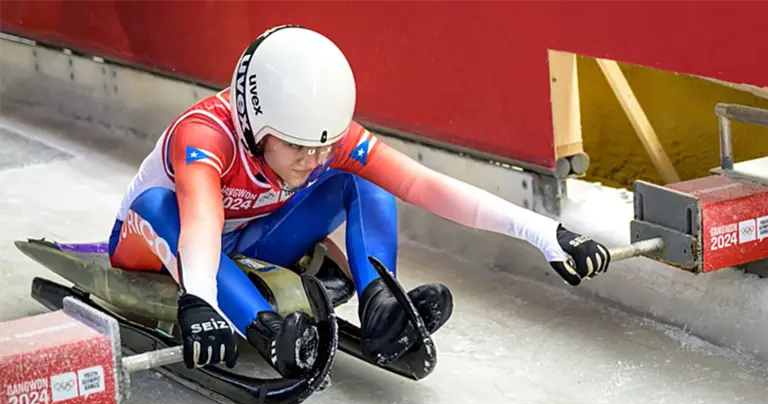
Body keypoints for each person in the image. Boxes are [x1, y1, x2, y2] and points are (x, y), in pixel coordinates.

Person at [108, 24, 611, 377]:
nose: (313, 158)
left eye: (322, 144)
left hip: (246, 236)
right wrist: (199, 298)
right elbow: (198, 218)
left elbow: (424, 185)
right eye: (298, 146)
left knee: (365, 179)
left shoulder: (326, 142)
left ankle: (380, 305)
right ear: (254, 125)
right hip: (153, 246)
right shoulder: (203, 135)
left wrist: (542, 232)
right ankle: (265, 331)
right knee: (160, 203)